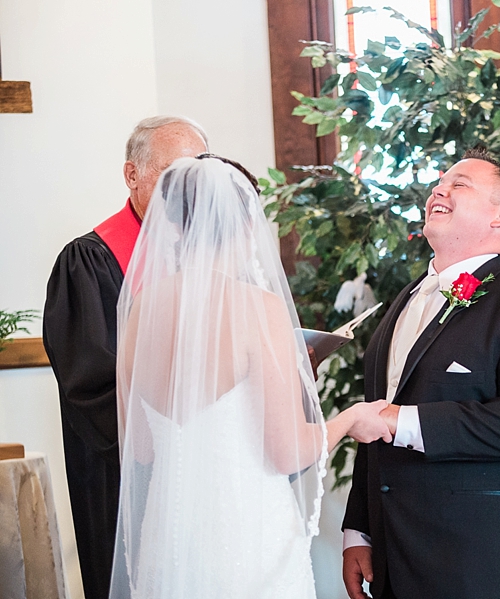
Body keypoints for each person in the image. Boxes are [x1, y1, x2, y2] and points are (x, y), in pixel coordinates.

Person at [109, 155, 392, 598]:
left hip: (169, 534)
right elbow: (285, 452)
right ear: (244, 222)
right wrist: (351, 418)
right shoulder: (257, 308)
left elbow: (140, 447)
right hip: (245, 529)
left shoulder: (140, 311)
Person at [341, 147, 500, 599]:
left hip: (474, 558)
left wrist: (398, 421)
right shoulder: (405, 300)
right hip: (391, 553)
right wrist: (359, 531)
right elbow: (374, 416)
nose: (438, 190)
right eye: (439, 183)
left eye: (458, 185)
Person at [43, 116, 208, 599]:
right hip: (128, 471)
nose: (184, 192)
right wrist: (173, 427)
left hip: (201, 467)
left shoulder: (209, 257)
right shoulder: (89, 262)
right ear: (131, 175)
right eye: (169, 176)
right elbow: (90, 382)